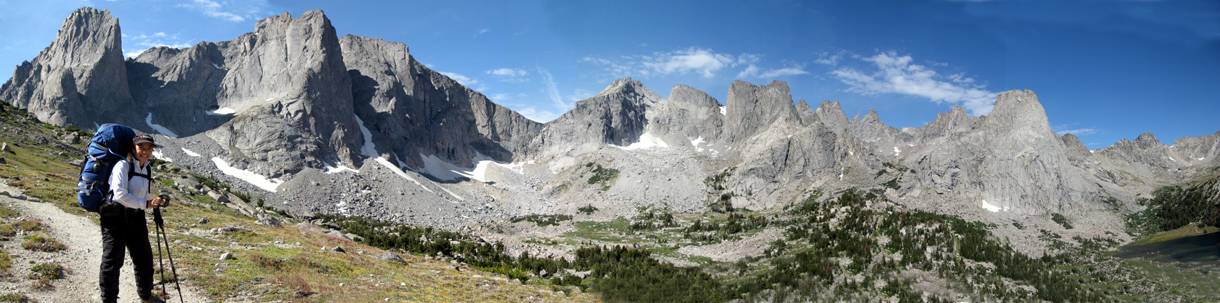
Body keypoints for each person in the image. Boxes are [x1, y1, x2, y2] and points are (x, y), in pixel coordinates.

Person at [98, 134, 167, 303]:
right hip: (114, 218)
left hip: (137, 217)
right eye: (141, 147)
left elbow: (143, 195)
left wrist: (152, 202)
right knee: (113, 261)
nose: (145, 151)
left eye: (149, 148)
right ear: (133, 148)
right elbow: (120, 194)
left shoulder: (147, 167)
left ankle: (146, 296)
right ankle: (109, 300)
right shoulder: (123, 165)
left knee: (144, 260)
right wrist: (146, 203)